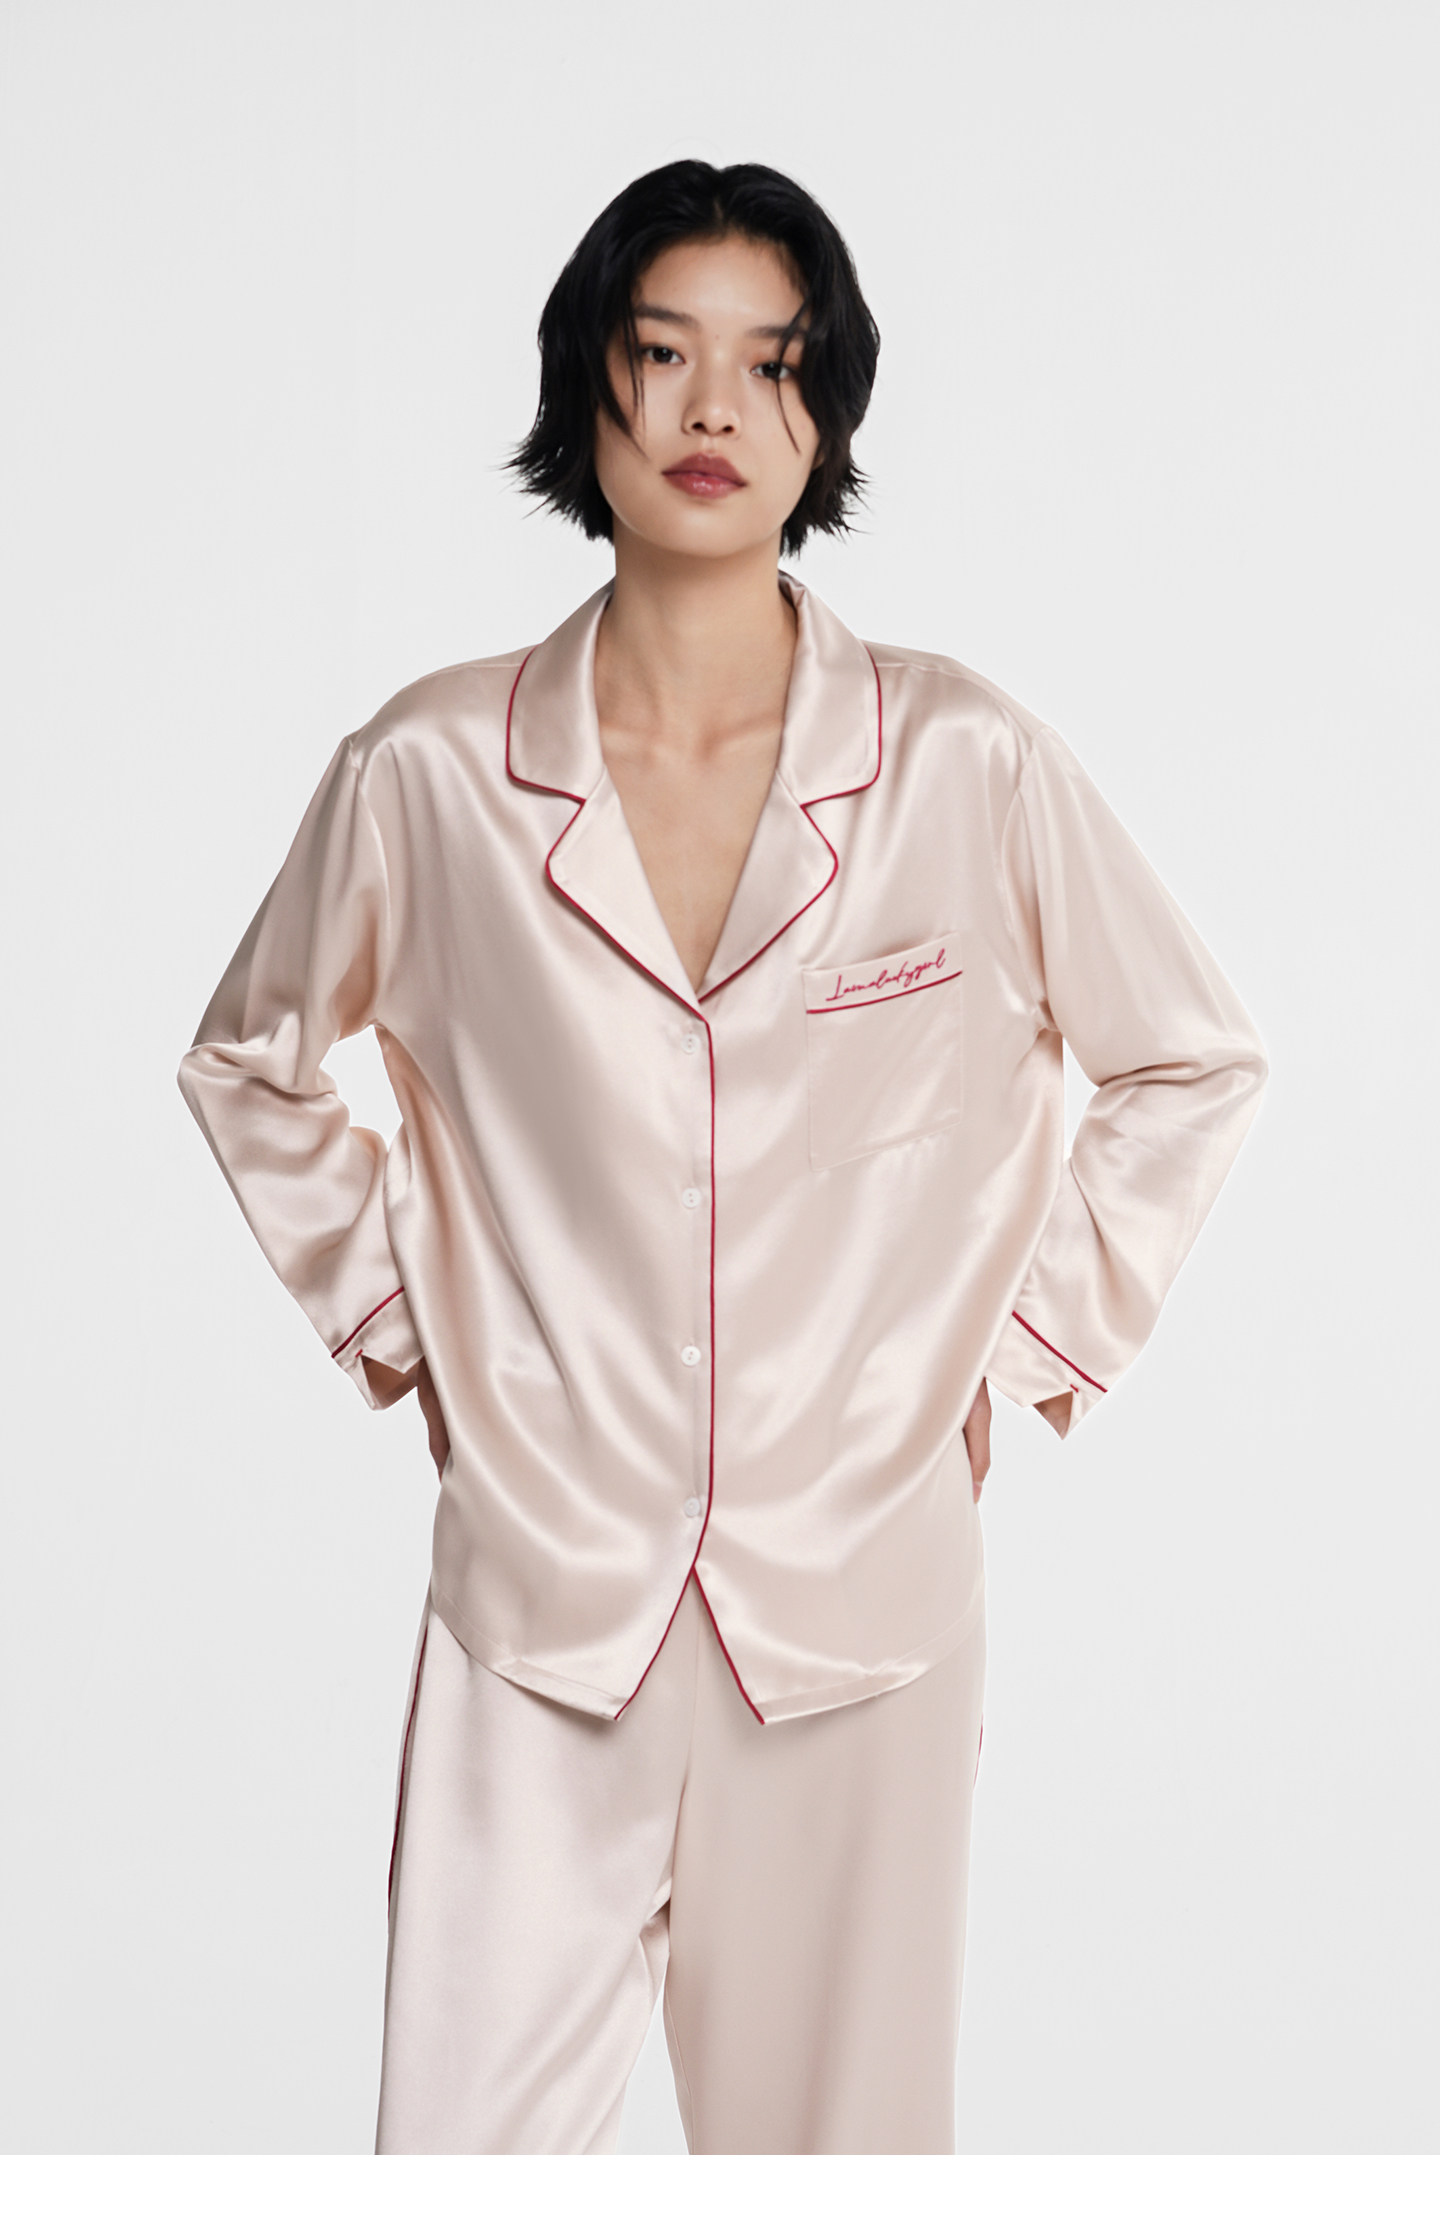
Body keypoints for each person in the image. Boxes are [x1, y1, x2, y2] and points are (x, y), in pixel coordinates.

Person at [178, 160, 1267, 2155]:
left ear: (827, 410)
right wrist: (413, 1333)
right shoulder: (430, 774)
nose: (712, 409)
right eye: (663, 350)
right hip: (539, 1607)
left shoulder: (962, 762)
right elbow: (249, 1060)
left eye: (773, 365)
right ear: (583, 383)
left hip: (858, 1617)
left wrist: (1022, 1351)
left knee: (839, 2162)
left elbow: (1190, 1056)